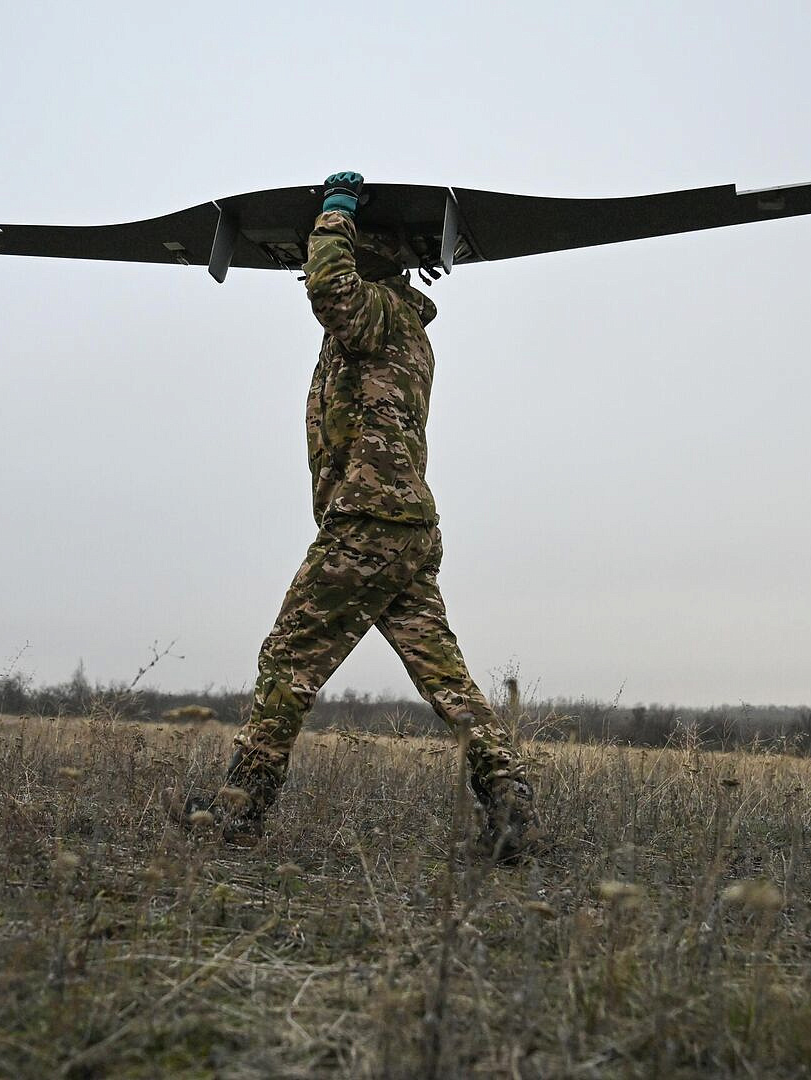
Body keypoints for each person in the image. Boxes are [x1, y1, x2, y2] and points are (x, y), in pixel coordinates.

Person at [174, 171, 540, 860]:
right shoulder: (392, 324)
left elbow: (329, 288)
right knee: (446, 679)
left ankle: (239, 808)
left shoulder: (377, 315)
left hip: (368, 524)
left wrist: (334, 215)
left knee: (289, 658)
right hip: (401, 528)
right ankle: (510, 799)